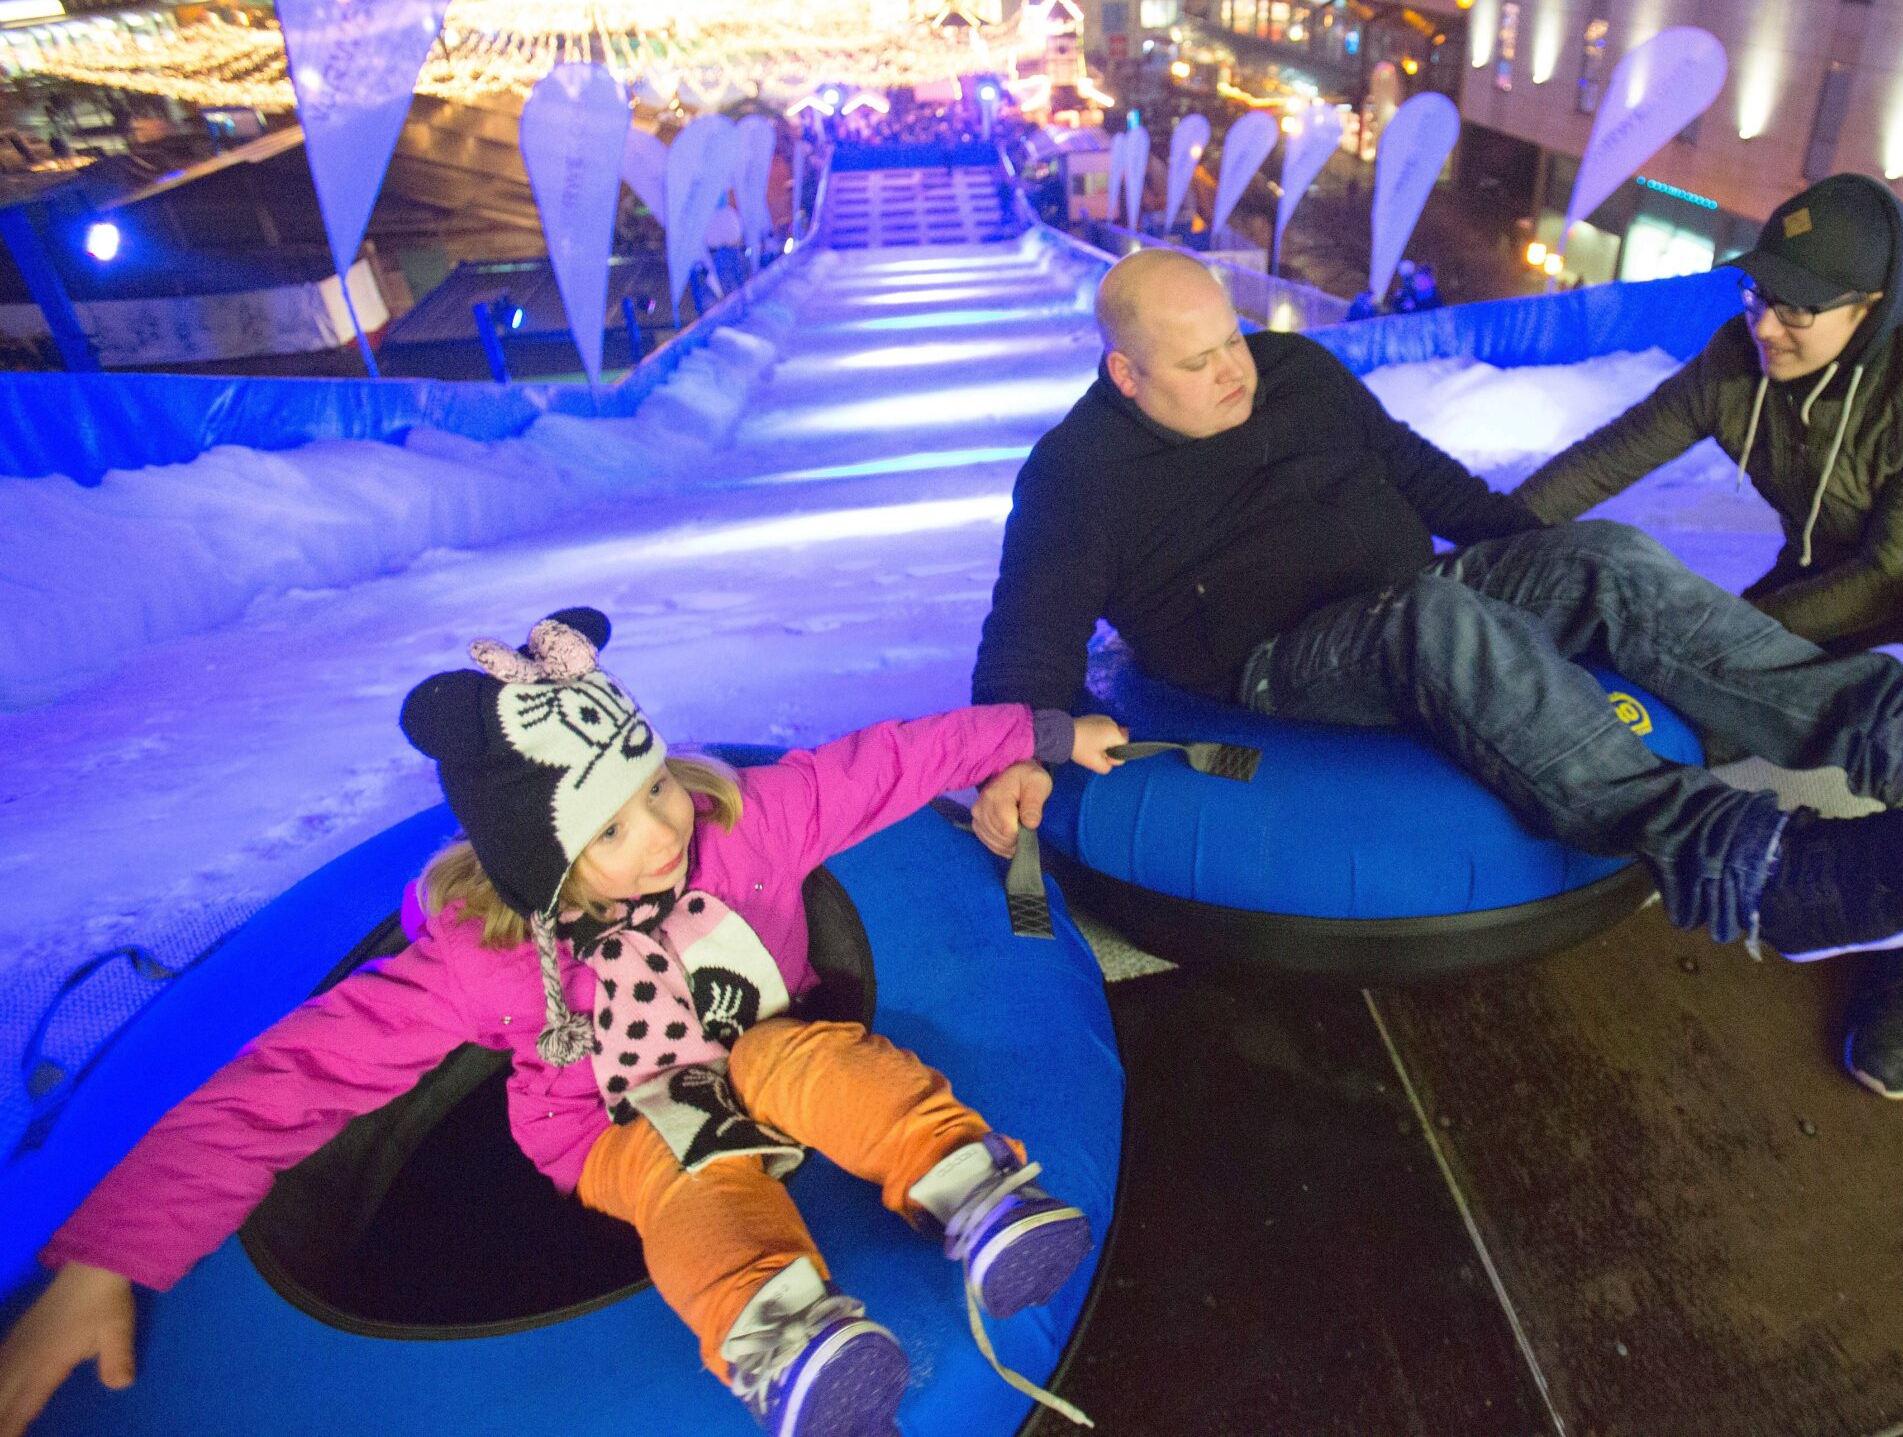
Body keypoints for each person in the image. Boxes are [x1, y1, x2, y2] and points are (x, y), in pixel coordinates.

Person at [0, 610, 1125, 1437]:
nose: (660, 830)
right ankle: (783, 1338)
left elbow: (888, 762)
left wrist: (1040, 729)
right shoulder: (480, 963)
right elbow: (290, 1084)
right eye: (612, 828)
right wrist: (107, 1258)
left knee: (812, 1055)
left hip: (763, 1033)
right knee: (684, 1178)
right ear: (539, 862)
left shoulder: (743, 825)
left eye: (653, 789)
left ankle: (968, 1188)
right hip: (613, 1126)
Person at [969, 248, 1903, 973]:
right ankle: (1759, 870)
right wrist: (1036, 741)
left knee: (1605, 554)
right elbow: (1025, 643)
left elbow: (1426, 483)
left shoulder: (1296, 373)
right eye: (1199, 363)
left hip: (1412, 588)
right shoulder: (1077, 478)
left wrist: (1562, 572)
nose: (1236, 371)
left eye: (1233, 338)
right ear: (1126, 376)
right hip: (1282, 660)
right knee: (1435, 625)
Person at [1516, 172, 1903, 1101]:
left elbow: (1899, 571)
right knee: (1696, 703)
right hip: (1830, 570)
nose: (1766, 326)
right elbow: (1611, 456)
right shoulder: (1742, 359)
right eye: (1757, 295)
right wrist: (1480, 534)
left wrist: (1724, 640)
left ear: (1870, 309)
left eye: (1797, 311)